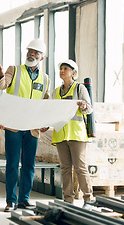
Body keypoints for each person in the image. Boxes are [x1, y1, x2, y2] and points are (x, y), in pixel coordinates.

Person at [0, 38, 50, 212]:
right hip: (14, 126)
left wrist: (46, 121)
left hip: (32, 127)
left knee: (29, 165)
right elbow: (1, 85)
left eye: (36, 52)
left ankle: (24, 199)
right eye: (30, 51)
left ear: (42, 57)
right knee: (12, 163)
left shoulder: (45, 78)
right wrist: (1, 75)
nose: (31, 54)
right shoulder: (14, 70)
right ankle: (11, 200)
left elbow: (45, 101)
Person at [51, 59, 94, 204]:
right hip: (61, 135)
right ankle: (68, 199)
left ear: (73, 73)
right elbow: (52, 113)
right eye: (61, 68)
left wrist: (83, 105)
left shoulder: (79, 88)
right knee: (65, 168)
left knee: (80, 167)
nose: (62, 71)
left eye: (65, 69)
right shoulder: (56, 92)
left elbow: (89, 109)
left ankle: (88, 199)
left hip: (76, 134)